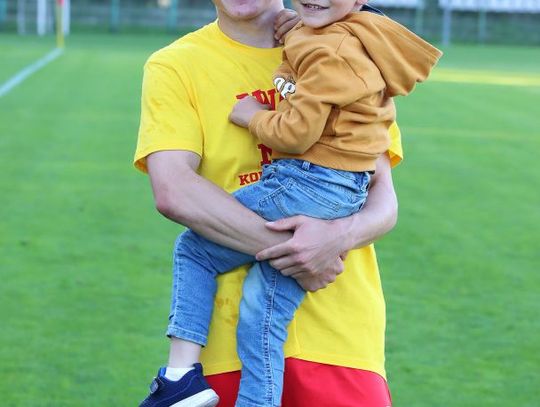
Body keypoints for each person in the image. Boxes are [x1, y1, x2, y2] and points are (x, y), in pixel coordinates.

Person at [134, 1, 428, 406]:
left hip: (342, 339)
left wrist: (336, 239)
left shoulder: (347, 44)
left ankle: (176, 375)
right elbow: (175, 190)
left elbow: (383, 200)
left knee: (194, 252)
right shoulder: (176, 64)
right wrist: (304, 252)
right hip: (228, 349)